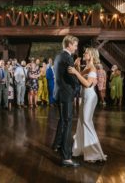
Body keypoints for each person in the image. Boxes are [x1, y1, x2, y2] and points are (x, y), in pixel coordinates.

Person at [68, 47, 107, 162]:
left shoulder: (93, 68)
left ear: (92, 56)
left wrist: (76, 71)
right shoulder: (87, 67)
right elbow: (79, 77)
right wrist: (77, 67)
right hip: (84, 97)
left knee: (86, 122)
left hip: (90, 97)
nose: (84, 53)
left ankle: (94, 153)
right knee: (81, 122)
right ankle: (81, 149)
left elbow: (87, 84)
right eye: (84, 52)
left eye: (86, 53)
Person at [52, 35, 80, 167]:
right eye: (75, 45)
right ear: (69, 44)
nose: (76, 47)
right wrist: (79, 86)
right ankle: (66, 157)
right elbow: (72, 77)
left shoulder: (58, 56)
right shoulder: (68, 57)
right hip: (66, 94)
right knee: (68, 123)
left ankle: (56, 144)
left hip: (59, 93)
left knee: (63, 120)